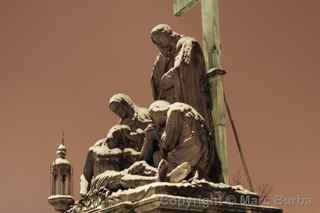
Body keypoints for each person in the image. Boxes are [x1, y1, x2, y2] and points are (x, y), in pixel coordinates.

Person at [80, 94, 152, 196]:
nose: (118, 112)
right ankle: (154, 179)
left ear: (125, 104)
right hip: (111, 177)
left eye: (118, 108)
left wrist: (140, 136)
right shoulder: (96, 149)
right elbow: (86, 174)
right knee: (123, 177)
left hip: (143, 151)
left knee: (137, 167)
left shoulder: (144, 113)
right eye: (115, 111)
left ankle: (157, 177)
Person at [142, 100, 223, 182]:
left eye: (153, 117)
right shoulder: (186, 109)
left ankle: (170, 177)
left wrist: (154, 136)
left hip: (191, 156)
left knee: (156, 157)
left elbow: (167, 144)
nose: (155, 123)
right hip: (203, 157)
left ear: (157, 110)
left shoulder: (174, 111)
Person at [150, 24, 213, 129]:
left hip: (189, 102)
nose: (160, 45)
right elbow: (156, 81)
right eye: (157, 43)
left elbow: (185, 68)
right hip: (172, 106)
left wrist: (171, 77)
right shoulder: (163, 58)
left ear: (170, 35)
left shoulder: (187, 43)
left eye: (161, 41)